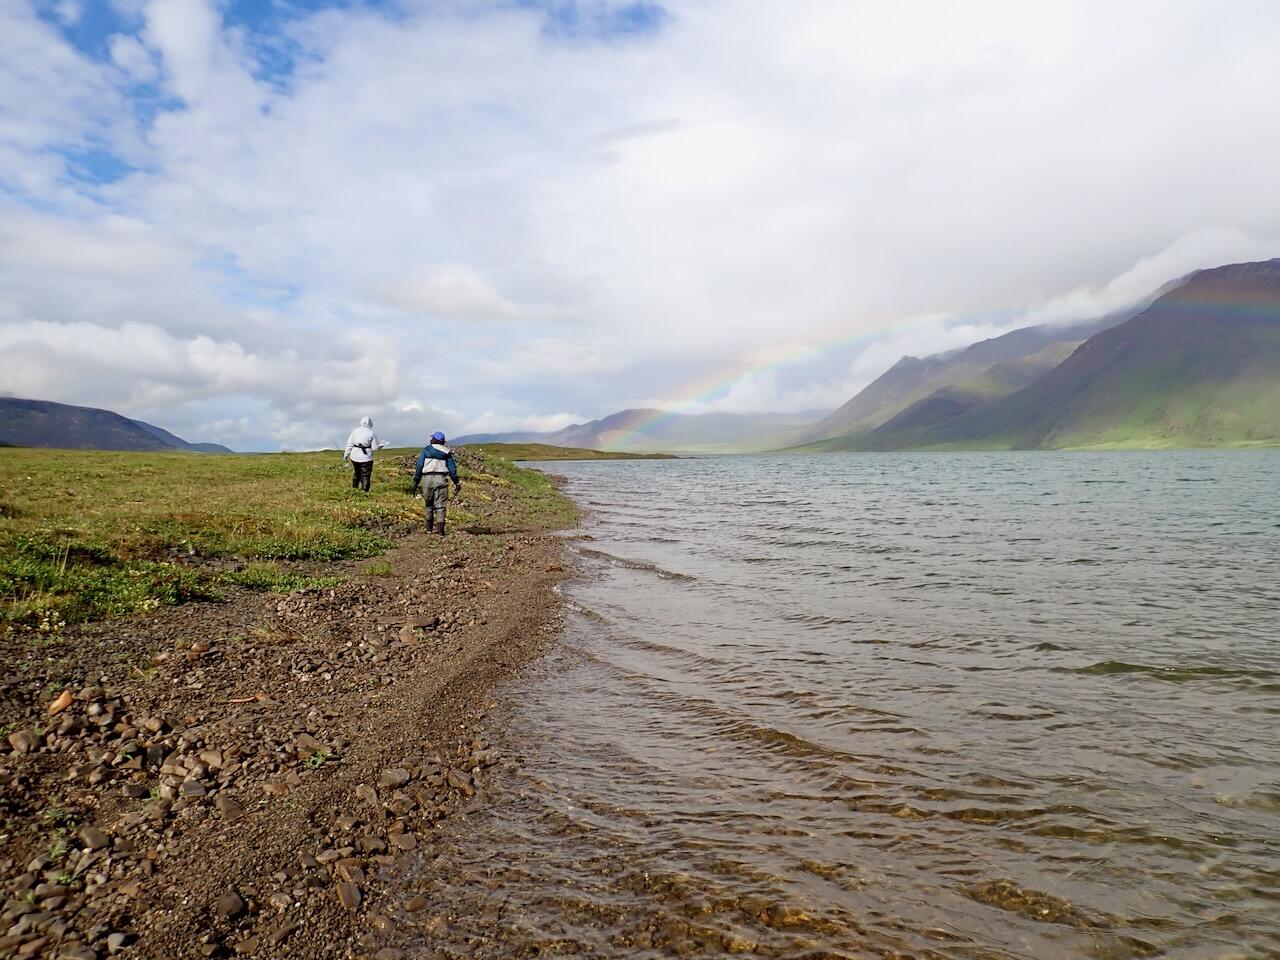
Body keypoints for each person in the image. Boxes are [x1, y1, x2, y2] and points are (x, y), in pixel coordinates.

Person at [411, 431, 461, 536]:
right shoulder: (446, 453)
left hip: (426, 479)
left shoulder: (426, 451)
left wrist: (416, 481)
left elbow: (419, 466)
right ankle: (440, 532)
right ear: (443, 441)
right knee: (440, 506)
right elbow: (452, 469)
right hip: (441, 479)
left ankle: (429, 529)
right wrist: (456, 482)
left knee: (428, 504)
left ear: (433, 439)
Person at [343, 416, 385, 492]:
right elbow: (375, 448)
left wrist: (346, 454)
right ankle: (365, 491)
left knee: (357, 473)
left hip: (354, 456)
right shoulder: (371, 433)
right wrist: (381, 445)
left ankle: (354, 490)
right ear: (370, 423)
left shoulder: (354, 431)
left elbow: (349, 444)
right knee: (365, 475)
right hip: (366, 458)